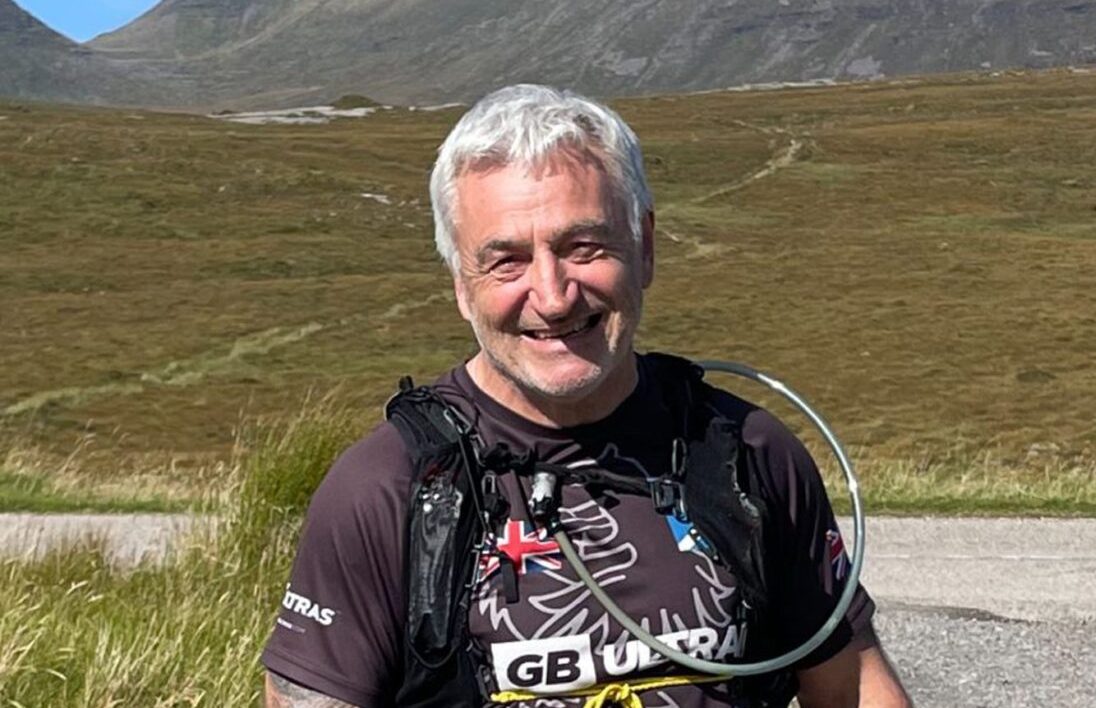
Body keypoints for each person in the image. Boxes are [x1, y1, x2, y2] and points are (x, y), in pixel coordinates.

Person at [261, 84, 911, 708]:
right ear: (461, 284)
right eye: (506, 261)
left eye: (583, 246)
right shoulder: (386, 490)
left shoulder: (749, 453)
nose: (551, 295)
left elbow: (853, 687)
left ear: (645, 246)